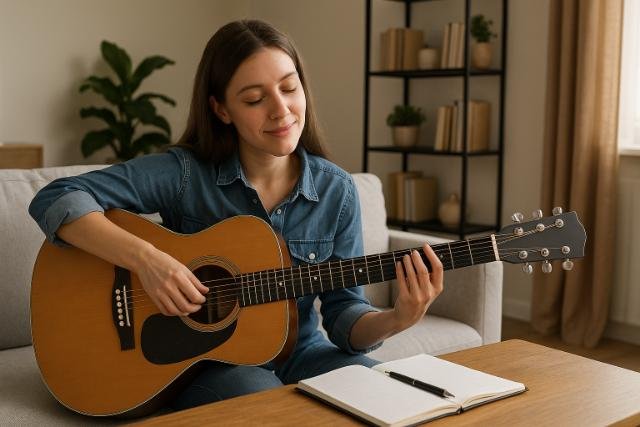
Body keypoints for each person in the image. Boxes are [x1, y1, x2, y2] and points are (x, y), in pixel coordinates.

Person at [28, 19, 444, 411]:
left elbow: (342, 317)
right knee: (265, 405)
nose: (281, 111)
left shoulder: (337, 191)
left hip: (302, 353)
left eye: (289, 88)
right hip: (211, 364)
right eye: (255, 99)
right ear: (222, 110)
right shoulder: (186, 173)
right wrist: (148, 261)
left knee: (389, 395)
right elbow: (59, 196)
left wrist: (396, 318)